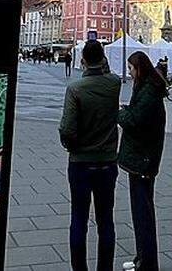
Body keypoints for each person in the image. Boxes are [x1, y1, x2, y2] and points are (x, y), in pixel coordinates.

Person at [59, 40, 121, 271]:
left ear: (83, 60)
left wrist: (69, 144)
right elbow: (109, 73)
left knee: (79, 219)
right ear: (103, 58)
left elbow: (67, 129)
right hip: (106, 161)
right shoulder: (114, 84)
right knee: (106, 221)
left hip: (81, 163)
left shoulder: (76, 89)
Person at [118, 51, 167, 271]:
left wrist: (119, 113)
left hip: (143, 160)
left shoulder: (148, 91)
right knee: (141, 213)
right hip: (141, 158)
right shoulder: (147, 88)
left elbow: (136, 120)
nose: (129, 73)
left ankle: (147, 264)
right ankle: (142, 259)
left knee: (143, 214)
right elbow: (139, 115)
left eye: (131, 68)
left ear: (139, 68)